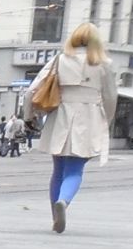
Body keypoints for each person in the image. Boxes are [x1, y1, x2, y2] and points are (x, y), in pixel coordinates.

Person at [40, 22, 118, 232]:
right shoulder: (104, 64)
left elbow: (35, 88)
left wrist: (31, 115)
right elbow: (111, 96)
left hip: (61, 115)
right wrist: (106, 121)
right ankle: (64, 202)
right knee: (75, 169)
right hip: (90, 116)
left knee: (58, 169)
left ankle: (55, 216)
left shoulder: (60, 59)